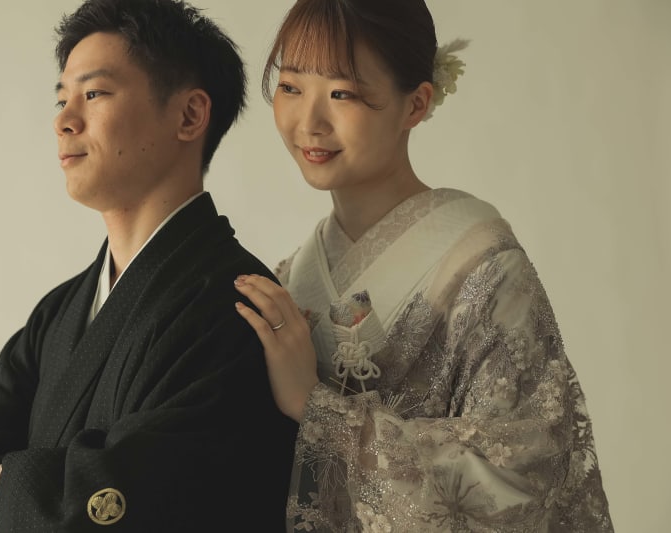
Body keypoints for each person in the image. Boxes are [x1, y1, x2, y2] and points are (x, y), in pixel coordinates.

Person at [0, 0, 297, 531]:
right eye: (61, 99)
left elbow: (140, 501)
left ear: (189, 115)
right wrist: (35, 495)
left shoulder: (236, 307)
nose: (64, 121)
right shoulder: (58, 313)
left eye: (94, 94)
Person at [233, 0, 614, 531]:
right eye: (291, 87)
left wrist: (319, 411)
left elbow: (519, 480)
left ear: (416, 104)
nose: (309, 122)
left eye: (342, 93)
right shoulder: (294, 274)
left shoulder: (483, 267)